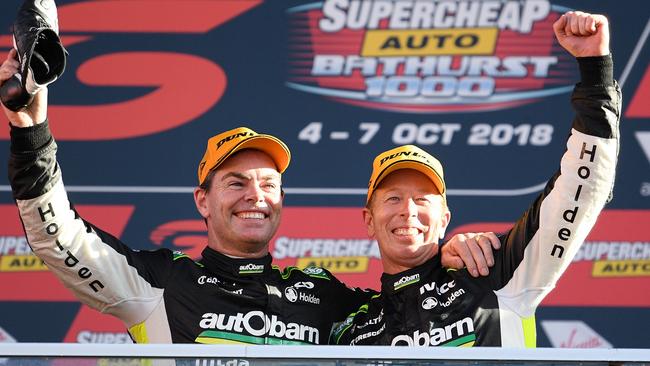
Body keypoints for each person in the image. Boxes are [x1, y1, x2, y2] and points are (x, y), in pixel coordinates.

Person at [1, 62, 497, 343]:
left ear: (280, 200)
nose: (255, 197)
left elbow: (406, 312)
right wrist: (30, 130)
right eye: (236, 183)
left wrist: (442, 260)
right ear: (203, 200)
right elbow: (55, 235)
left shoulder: (324, 297)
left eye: (268, 184)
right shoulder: (160, 283)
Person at [330, 11, 620, 347]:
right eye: (393, 198)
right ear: (368, 220)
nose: (408, 211)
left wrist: (595, 73)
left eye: (423, 200)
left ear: (444, 220)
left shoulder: (492, 274)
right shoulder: (352, 327)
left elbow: (579, 191)